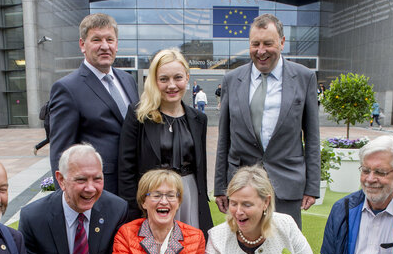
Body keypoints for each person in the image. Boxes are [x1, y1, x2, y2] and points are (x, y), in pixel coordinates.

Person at [215, 13, 320, 229]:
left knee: (283, 252)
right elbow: (224, 138)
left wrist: (312, 186)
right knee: (242, 248)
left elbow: (312, 138)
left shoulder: (304, 77)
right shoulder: (232, 80)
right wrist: (220, 187)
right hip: (241, 184)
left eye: (268, 43)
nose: (261, 51)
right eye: (255, 44)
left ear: (282, 43)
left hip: (286, 183)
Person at [118, 49, 213, 233]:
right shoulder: (139, 115)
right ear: (154, 81)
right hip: (153, 199)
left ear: (187, 77)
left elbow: (200, 170)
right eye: (164, 79)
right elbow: (126, 169)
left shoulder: (198, 119)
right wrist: (133, 212)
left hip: (189, 197)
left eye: (178, 77)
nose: (172, 85)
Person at [48, 13, 140, 194]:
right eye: (96, 40)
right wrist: (67, 198)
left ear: (117, 44)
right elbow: (60, 153)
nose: (104, 46)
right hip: (97, 192)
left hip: (134, 187)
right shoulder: (67, 88)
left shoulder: (128, 80)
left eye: (110, 40)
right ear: (82, 45)